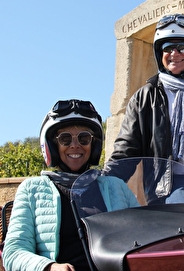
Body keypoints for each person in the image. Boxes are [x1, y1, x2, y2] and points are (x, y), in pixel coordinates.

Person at [3, 99, 139, 271]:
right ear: (52, 146)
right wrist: (49, 267)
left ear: (94, 145)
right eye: (65, 139)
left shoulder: (116, 187)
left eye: (84, 138)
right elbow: (13, 252)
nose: (75, 145)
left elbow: (145, 238)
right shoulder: (32, 190)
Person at [109, 13, 184, 200]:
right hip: (173, 183)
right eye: (167, 48)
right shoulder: (146, 96)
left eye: (183, 48)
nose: (174, 54)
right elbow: (126, 148)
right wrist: (107, 181)